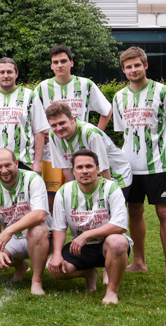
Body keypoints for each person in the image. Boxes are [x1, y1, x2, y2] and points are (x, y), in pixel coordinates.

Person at [112, 46, 166, 287]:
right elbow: (123, 132)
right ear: (123, 70)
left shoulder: (164, 92)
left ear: (145, 65)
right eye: (128, 66)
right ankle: (140, 262)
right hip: (129, 167)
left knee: (164, 213)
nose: (133, 70)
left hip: (158, 166)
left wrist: (165, 154)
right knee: (134, 210)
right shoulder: (119, 97)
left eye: (137, 65)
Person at [48, 150, 132, 304]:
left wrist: (86, 235)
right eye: (79, 167)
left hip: (107, 244)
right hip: (81, 247)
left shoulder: (112, 188)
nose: (84, 171)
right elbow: (59, 228)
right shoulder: (64, 191)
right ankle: (88, 273)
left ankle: (112, 291)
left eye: (89, 166)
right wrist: (57, 254)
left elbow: (120, 225)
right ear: (73, 171)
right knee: (54, 268)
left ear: (98, 169)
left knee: (118, 242)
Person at [35, 45, 112, 208]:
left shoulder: (86, 84)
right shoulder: (42, 88)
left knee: (84, 193)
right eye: (55, 62)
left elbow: (106, 110)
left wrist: (95, 134)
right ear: (51, 66)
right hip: (52, 152)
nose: (59, 65)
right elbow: (33, 117)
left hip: (82, 152)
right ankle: (54, 232)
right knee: (52, 198)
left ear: (72, 63)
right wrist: (43, 133)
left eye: (63, 61)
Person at [0, 148, 51, 295]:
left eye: (8, 165)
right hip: (15, 239)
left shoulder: (33, 179)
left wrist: (8, 230)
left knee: (38, 229)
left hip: (42, 238)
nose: (4, 170)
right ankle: (20, 265)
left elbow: (40, 215)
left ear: (16, 163)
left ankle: (37, 281)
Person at [0, 57, 49, 187]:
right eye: (2, 72)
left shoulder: (30, 96)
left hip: (24, 160)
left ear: (16, 74)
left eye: (9, 72)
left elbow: (39, 131)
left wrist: (37, 162)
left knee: (24, 204)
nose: (5, 75)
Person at [45, 102, 133, 194]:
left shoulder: (90, 134)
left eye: (62, 123)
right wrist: (75, 192)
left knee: (108, 206)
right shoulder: (53, 136)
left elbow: (103, 169)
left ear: (71, 119)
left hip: (116, 176)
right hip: (91, 177)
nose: (58, 128)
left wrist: (108, 196)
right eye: (54, 125)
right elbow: (65, 167)